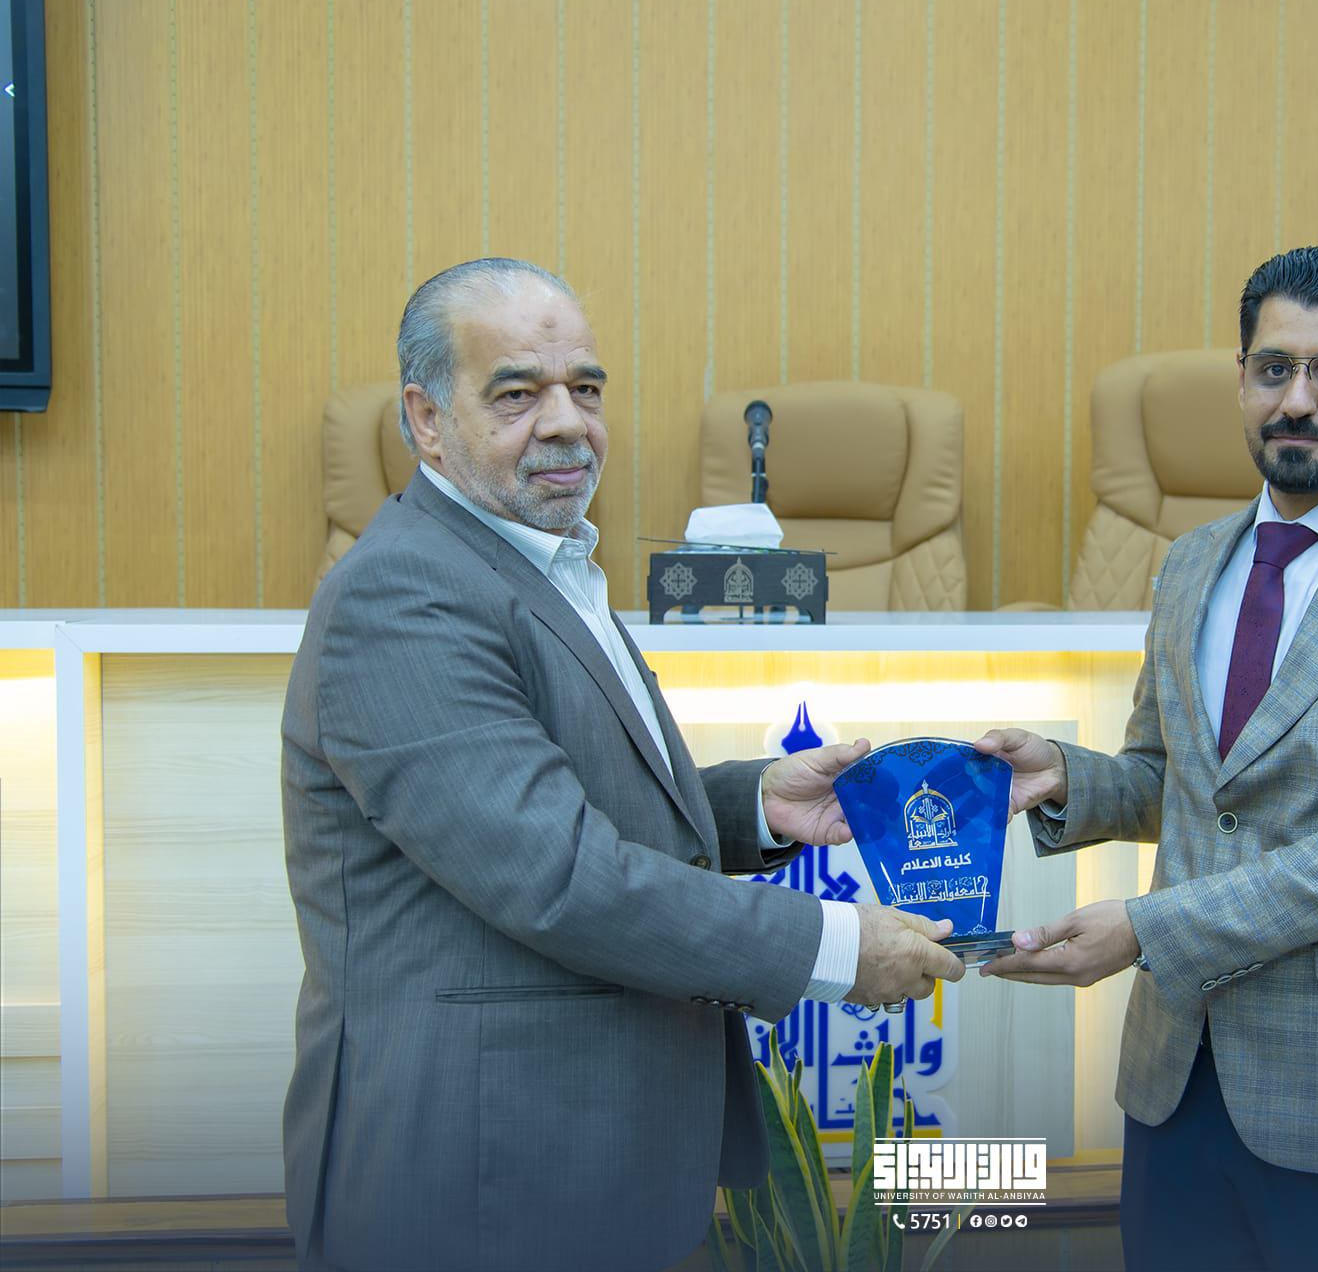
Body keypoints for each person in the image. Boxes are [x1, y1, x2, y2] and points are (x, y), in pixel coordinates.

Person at [280, 257, 963, 1272]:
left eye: (585, 388)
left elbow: (570, 799)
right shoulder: (406, 596)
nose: (567, 423)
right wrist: (834, 945)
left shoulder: (537, 559)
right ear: (425, 418)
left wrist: (753, 804)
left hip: (570, 1161)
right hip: (476, 1180)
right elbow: (557, 875)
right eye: (517, 394)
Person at [975, 246, 1318, 1271]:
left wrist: (1145, 929)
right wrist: (1064, 774)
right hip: (1176, 1082)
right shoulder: (1193, 563)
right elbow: (1177, 781)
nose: (1297, 400)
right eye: (1274, 368)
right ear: (1241, 378)